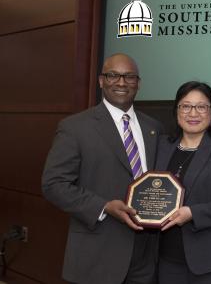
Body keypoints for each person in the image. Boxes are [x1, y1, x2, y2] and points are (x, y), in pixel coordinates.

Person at [42, 53, 163, 284]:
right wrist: (104, 206)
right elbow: (53, 185)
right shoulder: (75, 127)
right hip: (97, 255)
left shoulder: (153, 127)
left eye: (129, 77)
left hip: (145, 256)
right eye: (113, 76)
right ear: (101, 81)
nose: (121, 82)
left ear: (138, 83)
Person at [155, 81, 211, 284]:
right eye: (186, 106)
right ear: (176, 111)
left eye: (201, 106)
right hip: (167, 259)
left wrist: (192, 213)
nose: (193, 113)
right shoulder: (161, 146)